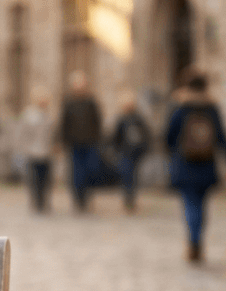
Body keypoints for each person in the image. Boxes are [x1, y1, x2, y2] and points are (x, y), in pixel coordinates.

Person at [166, 71, 226, 262]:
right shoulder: (211, 109)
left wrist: (173, 153)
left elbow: (169, 136)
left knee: (190, 203)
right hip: (206, 163)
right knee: (201, 205)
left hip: (186, 163)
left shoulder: (180, 108)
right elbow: (222, 136)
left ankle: (193, 240)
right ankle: (197, 239)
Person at [60, 71, 102, 210]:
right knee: (77, 172)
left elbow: (97, 122)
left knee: (91, 169)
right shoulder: (69, 103)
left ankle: (87, 195)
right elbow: (64, 123)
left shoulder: (91, 102)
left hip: (90, 142)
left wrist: (98, 139)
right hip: (74, 143)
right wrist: (63, 141)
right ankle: (78, 198)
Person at [110, 94, 152, 212]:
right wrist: (116, 150)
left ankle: (130, 198)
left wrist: (144, 148)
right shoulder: (122, 120)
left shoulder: (138, 119)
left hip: (136, 152)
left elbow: (146, 135)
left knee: (133, 176)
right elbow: (116, 137)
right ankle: (128, 199)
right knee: (127, 175)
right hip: (125, 152)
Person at [18, 94, 55, 212]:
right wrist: (25, 148)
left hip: (47, 152)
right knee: (34, 179)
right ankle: (36, 201)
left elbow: (52, 134)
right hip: (33, 153)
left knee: (46, 179)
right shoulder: (29, 116)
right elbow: (23, 134)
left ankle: (44, 201)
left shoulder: (49, 115)